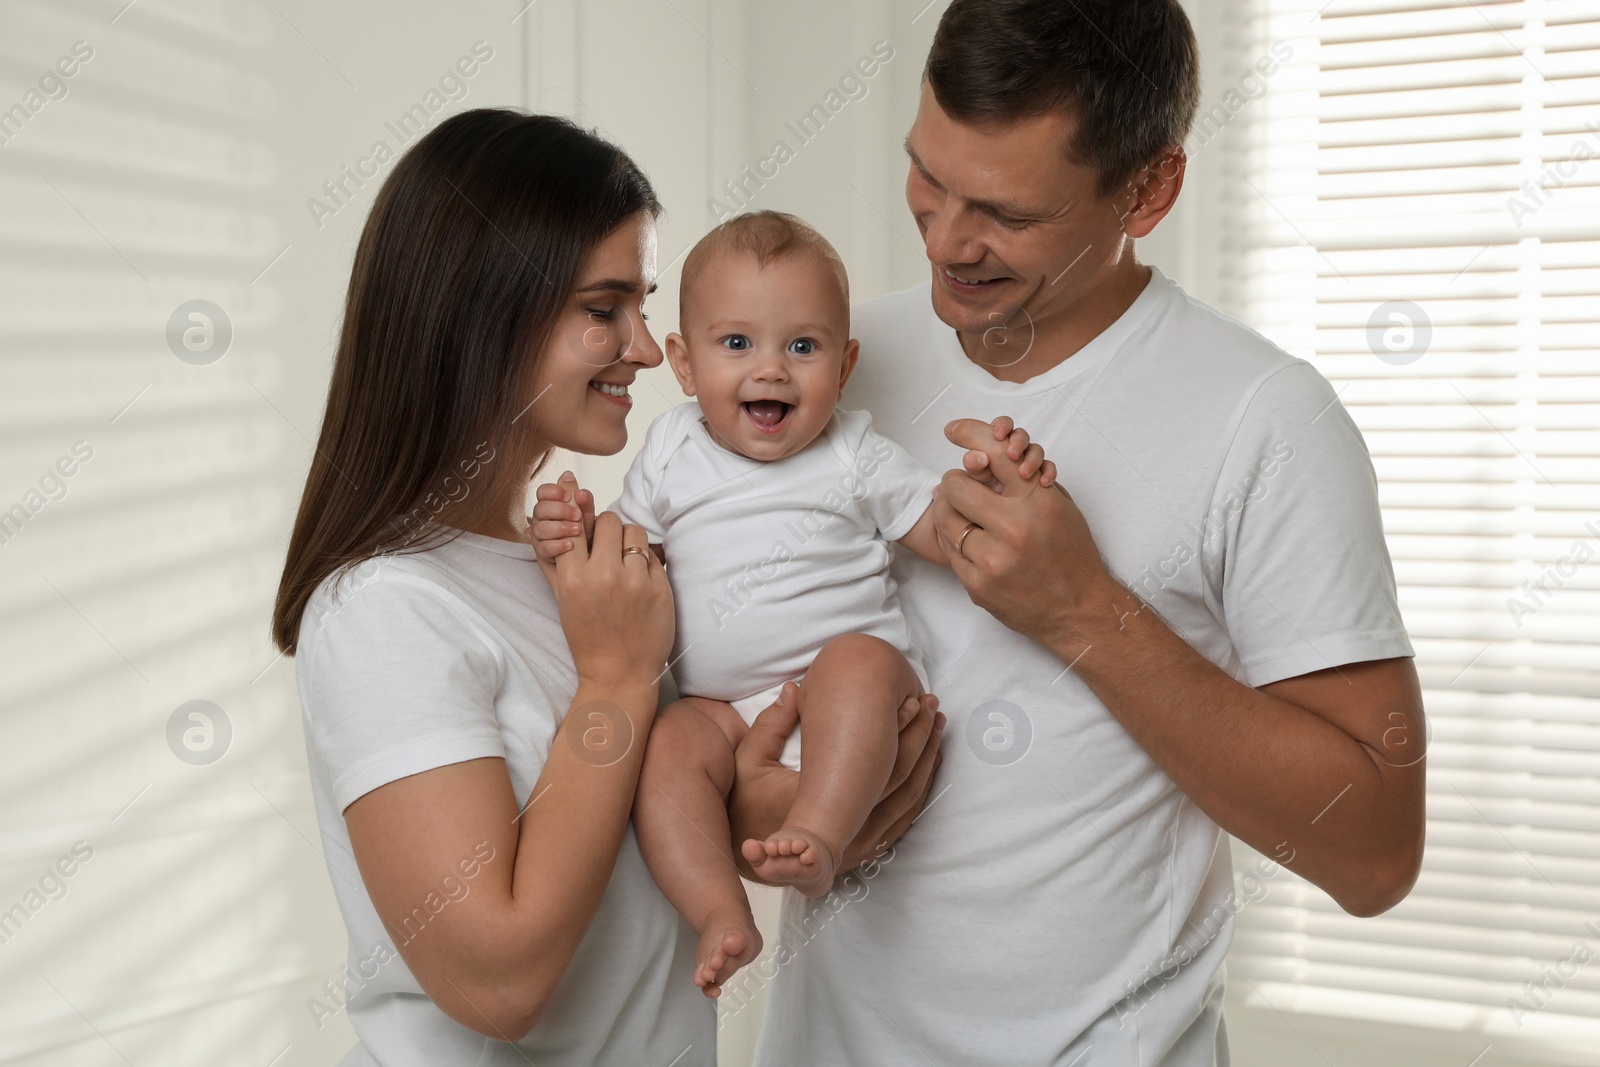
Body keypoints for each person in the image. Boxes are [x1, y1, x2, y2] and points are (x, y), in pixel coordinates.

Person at [728, 3, 1428, 1064]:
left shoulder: (1271, 422)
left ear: (1148, 189)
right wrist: (757, 790)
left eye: (1004, 212)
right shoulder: (831, 365)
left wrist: (1084, 612)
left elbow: (1372, 850)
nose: (945, 239)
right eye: (928, 176)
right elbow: (715, 677)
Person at [269, 109, 944, 1064]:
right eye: (604, 309)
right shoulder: (384, 610)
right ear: (482, 311)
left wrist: (797, 805)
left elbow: (632, 827)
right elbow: (497, 981)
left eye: (645, 305)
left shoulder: (591, 568)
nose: (643, 345)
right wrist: (619, 681)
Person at [529, 211, 1055, 996]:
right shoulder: (672, 448)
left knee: (857, 657)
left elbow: (948, 536)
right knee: (669, 743)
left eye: (801, 347)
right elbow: (632, 556)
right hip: (723, 709)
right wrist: (572, 533)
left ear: (843, 367)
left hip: (846, 699)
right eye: (736, 343)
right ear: (682, 362)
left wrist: (999, 496)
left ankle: (820, 831)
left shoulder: (854, 450)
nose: (770, 370)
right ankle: (719, 909)